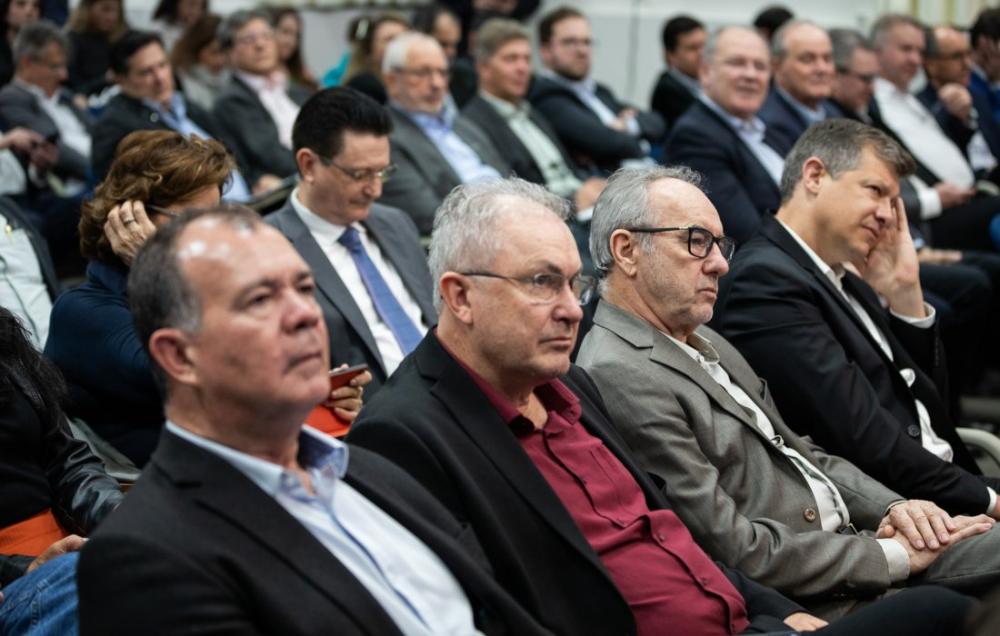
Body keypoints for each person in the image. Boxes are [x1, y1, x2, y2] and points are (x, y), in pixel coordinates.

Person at [348, 176, 974, 635]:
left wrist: (775, 614)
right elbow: (499, 608)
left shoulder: (571, 390)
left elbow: (677, 533)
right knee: (945, 613)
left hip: (757, 614)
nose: (570, 308)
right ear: (459, 297)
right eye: (542, 283)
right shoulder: (407, 432)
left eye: (573, 284)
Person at [76, 204, 550, 636]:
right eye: (259, 299)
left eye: (304, 288)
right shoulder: (145, 553)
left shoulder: (369, 468)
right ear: (180, 356)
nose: (306, 314)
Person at [578, 164, 1000, 618]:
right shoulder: (619, 371)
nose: (720, 263)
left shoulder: (702, 336)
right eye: (696, 241)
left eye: (719, 244)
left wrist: (897, 509)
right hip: (826, 595)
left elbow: (804, 453)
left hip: (864, 543)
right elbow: (730, 546)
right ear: (626, 250)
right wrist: (893, 555)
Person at [715, 118, 1000, 519]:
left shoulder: (841, 275)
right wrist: (989, 500)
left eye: (894, 201)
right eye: (876, 191)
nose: (888, 215)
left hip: (946, 482)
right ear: (815, 176)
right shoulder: (764, 281)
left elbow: (925, 410)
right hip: (901, 512)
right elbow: (864, 440)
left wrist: (905, 294)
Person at [267, 87, 435, 396]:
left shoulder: (395, 223)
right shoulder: (269, 249)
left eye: (382, 173)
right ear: (308, 165)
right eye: (360, 175)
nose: (375, 190)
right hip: (371, 414)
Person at [0, 305, 123, 633]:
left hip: (71, 546)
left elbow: (68, 461)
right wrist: (26, 569)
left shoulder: (5, 342)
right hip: (16, 581)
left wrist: (120, 516)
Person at [872, 14, 1000, 253]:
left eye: (919, 51)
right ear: (876, 51)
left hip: (969, 196)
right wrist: (934, 197)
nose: (915, 59)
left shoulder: (912, 99)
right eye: (906, 49)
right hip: (933, 216)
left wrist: (962, 119)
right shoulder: (873, 106)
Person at [460, 18, 604, 211]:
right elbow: (508, 193)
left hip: (582, 202)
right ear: (483, 67)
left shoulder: (531, 111)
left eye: (527, 59)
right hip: (547, 214)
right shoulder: (472, 123)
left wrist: (590, 185)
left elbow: (566, 171)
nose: (522, 68)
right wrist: (574, 200)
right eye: (511, 59)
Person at [89, 29, 248, 200]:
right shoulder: (115, 126)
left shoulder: (185, 105)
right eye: (146, 72)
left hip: (248, 202)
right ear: (121, 80)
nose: (160, 78)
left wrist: (256, 179)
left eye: (162, 65)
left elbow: (232, 150)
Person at [378, 32, 507, 235]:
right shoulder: (385, 138)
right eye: (422, 73)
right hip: (475, 234)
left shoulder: (463, 125)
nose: (437, 84)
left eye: (443, 73)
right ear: (392, 80)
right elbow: (429, 215)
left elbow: (508, 176)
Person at [667, 25, 781, 243]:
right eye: (737, 63)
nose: (751, 75)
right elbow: (746, 235)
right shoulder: (695, 138)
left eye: (760, 66)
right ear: (705, 71)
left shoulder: (767, 129)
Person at [529, 6, 664, 174]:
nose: (582, 51)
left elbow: (656, 122)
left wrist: (627, 126)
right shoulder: (546, 96)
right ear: (546, 51)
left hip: (644, 172)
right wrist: (641, 144)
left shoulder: (599, 91)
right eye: (570, 42)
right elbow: (605, 142)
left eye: (586, 42)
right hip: (611, 182)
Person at [213, 9, 313, 186]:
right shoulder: (232, 102)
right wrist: (325, 165)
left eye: (266, 36)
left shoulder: (296, 89)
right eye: (248, 39)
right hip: (296, 181)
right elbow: (272, 157)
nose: (260, 44)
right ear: (229, 53)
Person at [0, 20, 93, 193]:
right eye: (55, 66)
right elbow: (52, 148)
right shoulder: (12, 98)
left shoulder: (65, 95)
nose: (64, 75)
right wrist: (107, 172)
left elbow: (99, 133)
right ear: (27, 63)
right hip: (77, 187)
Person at [919, 24, 1000, 176]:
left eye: (969, 54)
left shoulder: (977, 98)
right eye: (957, 57)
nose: (968, 64)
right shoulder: (921, 108)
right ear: (931, 65)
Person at [758, 20, 835, 156]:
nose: (822, 68)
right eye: (807, 59)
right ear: (777, 66)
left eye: (827, 59)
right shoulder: (765, 125)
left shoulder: (834, 114)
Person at [340, 12, 409, 104]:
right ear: (370, 47)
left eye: (404, 38)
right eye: (389, 39)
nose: (399, 45)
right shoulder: (364, 86)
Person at [650, 15, 704, 131]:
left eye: (704, 46)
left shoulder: (706, 81)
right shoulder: (668, 90)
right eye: (693, 48)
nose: (702, 54)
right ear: (670, 55)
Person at [65, 0, 125, 97]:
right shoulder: (72, 41)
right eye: (105, 9)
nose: (112, 17)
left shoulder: (117, 40)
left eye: (117, 11)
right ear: (88, 8)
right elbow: (73, 87)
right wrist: (105, 80)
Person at [169, 13, 227, 112]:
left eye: (225, 51)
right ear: (195, 49)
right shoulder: (179, 85)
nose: (221, 60)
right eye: (214, 52)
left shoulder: (233, 78)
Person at [271, 5, 318, 92]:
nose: (291, 41)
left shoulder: (302, 73)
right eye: (285, 32)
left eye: (296, 35)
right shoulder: (260, 74)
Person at [0, 0, 38, 86]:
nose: (29, 12)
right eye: (21, 4)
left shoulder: (46, 49)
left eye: (35, 6)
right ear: (5, 11)